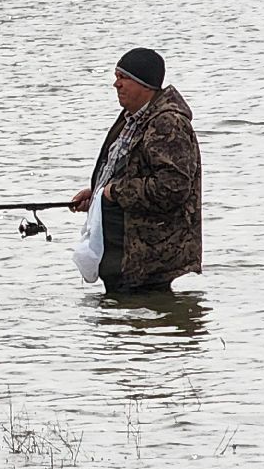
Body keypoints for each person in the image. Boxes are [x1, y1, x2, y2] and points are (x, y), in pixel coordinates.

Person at [69, 48, 201, 295]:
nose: (116, 84)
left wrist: (114, 193)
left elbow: (172, 187)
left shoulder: (167, 123)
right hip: (123, 254)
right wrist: (97, 193)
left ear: (145, 84)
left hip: (148, 258)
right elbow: (129, 171)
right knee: (120, 324)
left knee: (141, 323)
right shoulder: (132, 118)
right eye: (116, 76)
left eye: (123, 77)